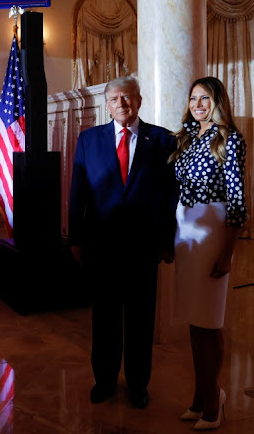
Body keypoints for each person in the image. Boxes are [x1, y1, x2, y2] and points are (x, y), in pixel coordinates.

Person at [69, 76, 178, 409]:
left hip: (144, 247)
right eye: (115, 99)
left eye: (128, 98)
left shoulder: (162, 140)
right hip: (102, 246)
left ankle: (137, 384)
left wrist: (166, 241)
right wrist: (75, 238)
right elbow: (78, 193)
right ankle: (103, 379)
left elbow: (170, 195)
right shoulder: (89, 140)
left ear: (139, 101)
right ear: (107, 104)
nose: (122, 104)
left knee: (141, 319)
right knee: (104, 318)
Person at [170, 77, 247, 430]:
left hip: (214, 227)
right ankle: (201, 396)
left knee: (210, 320)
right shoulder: (186, 138)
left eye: (205, 98)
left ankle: (214, 400)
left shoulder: (229, 139)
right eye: (193, 98)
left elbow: (237, 201)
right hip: (185, 229)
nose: (198, 104)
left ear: (217, 101)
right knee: (194, 318)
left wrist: (227, 253)